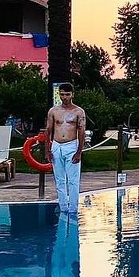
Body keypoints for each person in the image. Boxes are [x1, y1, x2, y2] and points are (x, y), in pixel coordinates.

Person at [44, 83, 86, 219]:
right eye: (62, 94)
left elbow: (82, 132)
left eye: (67, 94)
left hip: (71, 145)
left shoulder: (79, 112)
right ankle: (63, 208)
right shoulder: (53, 111)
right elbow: (48, 130)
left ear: (72, 94)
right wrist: (47, 150)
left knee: (73, 180)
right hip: (57, 145)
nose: (65, 97)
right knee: (59, 180)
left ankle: (73, 209)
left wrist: (79, 151)